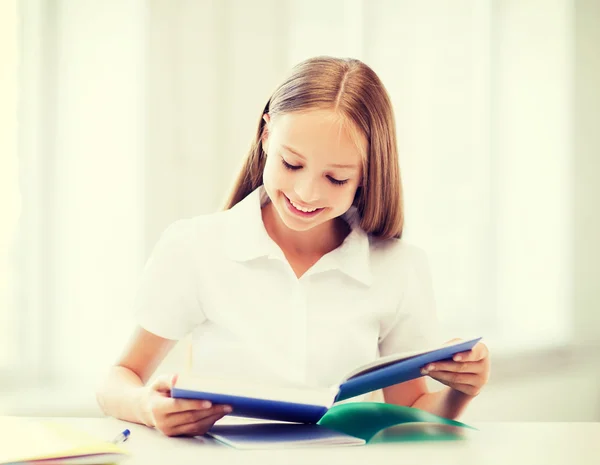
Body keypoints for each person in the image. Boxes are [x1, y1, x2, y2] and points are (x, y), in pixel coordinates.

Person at [96, 56, 491, 437]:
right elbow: (118, 381)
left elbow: (410, 417)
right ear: (266, 135)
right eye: (292, 164)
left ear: (367, 175)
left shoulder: (399, 267)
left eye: (336, 178)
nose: (306, 193)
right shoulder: (195, 247)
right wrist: (148, 407)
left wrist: (460, 391)